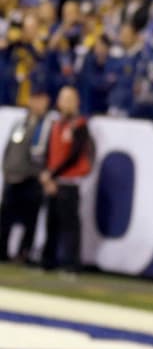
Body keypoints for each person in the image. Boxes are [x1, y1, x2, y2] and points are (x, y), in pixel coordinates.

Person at [40, 87, 94, 274]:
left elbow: (74, 155)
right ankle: (48, 262)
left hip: (69, 183)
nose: (66, 103)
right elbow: (48, 151)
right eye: (64, 98)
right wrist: (47, 175)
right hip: (53, 182)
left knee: (70, 226)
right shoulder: (55, 124)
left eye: (70, 99)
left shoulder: (79, 125)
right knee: (51, 223)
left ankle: (71, 265)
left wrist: (52, 174)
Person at [0, 88, 52, 263]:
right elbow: (9, 147)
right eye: (34, 99)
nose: (36, 103)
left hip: (31, 179)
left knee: (30, 220)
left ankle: (24, 253)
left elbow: (44, 154)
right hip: (12, 177)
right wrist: (6, 169)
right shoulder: (21, 122)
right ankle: (2, 251)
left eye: (40, 99)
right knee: (5, 218)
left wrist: (38, 174)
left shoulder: (46, 125)